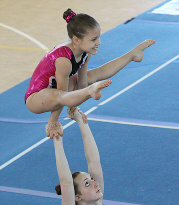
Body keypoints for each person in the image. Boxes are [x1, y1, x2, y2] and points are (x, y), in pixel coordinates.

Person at [25, 8, 155, 140]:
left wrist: (73, 107)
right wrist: (53, 122)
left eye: (98, 37)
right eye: (93, 39)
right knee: (61, 94)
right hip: (36, 98)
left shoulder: (85, 53)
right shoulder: (63, 60)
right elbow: (61, 95)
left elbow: (81, 84)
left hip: (57, 93)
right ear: (76, 40)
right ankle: (90, 91)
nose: (98, 42)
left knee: (91, 76)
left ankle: (132, 54)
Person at [53, 107, 115, 205]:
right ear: (77, 196)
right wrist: (57, 139)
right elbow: (66, 182)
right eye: (87, 183)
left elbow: (94, 161)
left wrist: (81, 121)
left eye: (92, 179)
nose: (95, 183)